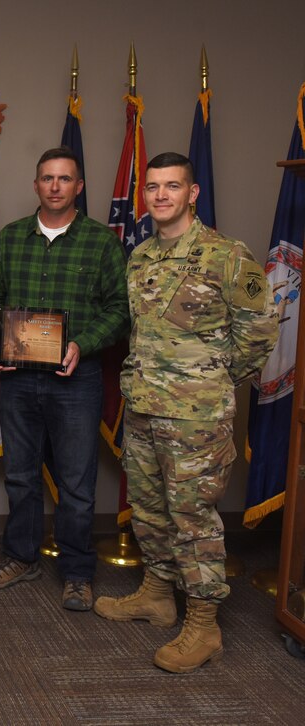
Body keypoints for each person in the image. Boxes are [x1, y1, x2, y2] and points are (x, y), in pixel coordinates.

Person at [94, 152, 278, 672]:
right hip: (145, 407)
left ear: (192, 193)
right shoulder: (141, 256)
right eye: (152, 187)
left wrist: (212, 382)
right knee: (150, 510)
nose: (160, 196)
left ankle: (203, 625)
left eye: (172, 186)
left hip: (196, 417)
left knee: (193, 518)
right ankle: (156, 594)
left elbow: (260, 331)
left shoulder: (227, 255)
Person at [0, 147, 129, 611]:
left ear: (78, 186)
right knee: (21, 477)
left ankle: (78, 572)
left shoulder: (101, 243)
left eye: (65, 179)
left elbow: (119, 312)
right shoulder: (12, 237)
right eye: (48, 178)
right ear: (37, 185)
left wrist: (80, 344)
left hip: (76, 379)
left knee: (77, 483)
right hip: (19, 379)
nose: (56, 186)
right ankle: (21, 557)